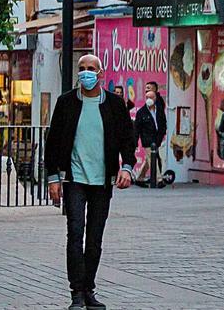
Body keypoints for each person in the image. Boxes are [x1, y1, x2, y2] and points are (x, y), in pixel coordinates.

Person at [45, 54, 137, 310]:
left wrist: (127, 168)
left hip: (103, 181)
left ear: (101, 73)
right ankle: (75, 292)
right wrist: (53, 178)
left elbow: (127, 140)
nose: (86, 73)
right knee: (75, 233)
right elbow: (52, 143)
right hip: (74, 179)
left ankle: (89, 289)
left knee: (94, 237)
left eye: (91, 69)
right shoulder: (66, 103)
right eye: (82, 69)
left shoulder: (115, 105)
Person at [134, 89, 167, 189]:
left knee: (149, 160)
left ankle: (139, 178)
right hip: (147, 140)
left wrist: (161, 137)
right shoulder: (141, 112)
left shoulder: (159, 110)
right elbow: (137, 128)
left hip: (156, 139)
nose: (149, 100)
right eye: (147, 98)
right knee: (153, 159)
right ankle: (159, 179)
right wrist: (135, 142)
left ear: (155, 98)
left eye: (151, 97)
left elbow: (162, 125)